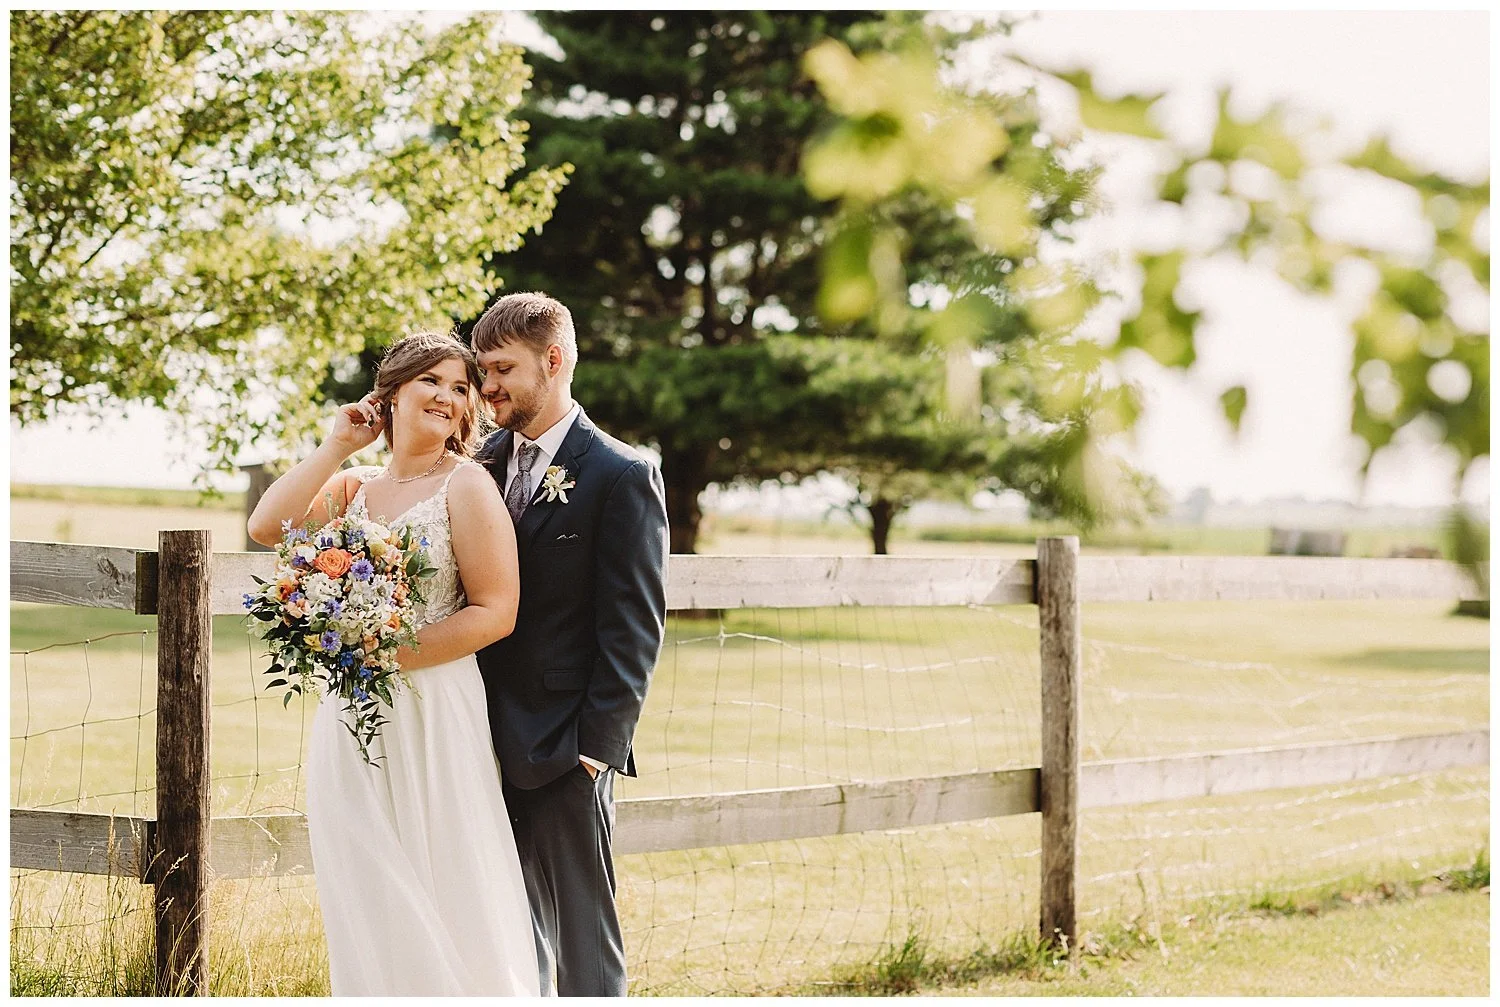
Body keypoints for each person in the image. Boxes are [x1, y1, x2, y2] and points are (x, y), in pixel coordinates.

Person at [247, 330, 538, 996]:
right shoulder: (353, 487)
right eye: (430, 380)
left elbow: (497, 611)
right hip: (350, 714)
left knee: (443, 871)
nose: (447, 396)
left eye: (460, 388)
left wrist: (384, 652)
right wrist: (337, 445)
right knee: (364, 872)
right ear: (391, 396)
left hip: (434, 709)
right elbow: (267, 526)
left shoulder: (467, 486)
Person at [470, 291, 669, 997]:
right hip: (474, 736)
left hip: (563, 745)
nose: (487, 387)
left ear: (552, 361)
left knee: (584, 943)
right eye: (482, 370)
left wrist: (594, 752)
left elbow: (633, 627)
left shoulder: (621, 474)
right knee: (506, 931)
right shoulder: (478, 465)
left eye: (503, 369)